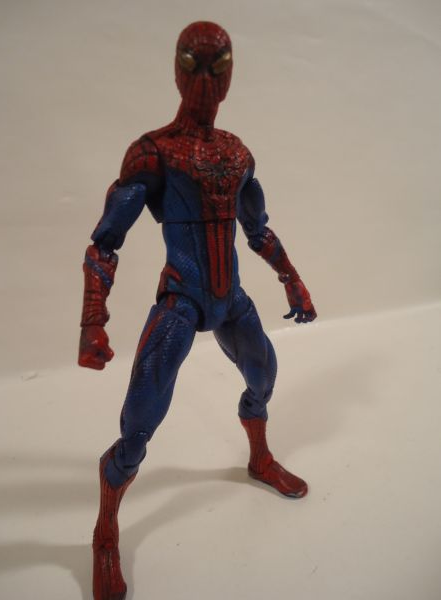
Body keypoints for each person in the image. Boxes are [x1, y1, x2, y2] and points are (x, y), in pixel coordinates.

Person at [78, 21, 317, 600]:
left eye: (219, 65)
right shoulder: (154, 152)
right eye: (193, 64)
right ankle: (105, 531)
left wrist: (292, 280)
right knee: (139, 423)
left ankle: (259, 457)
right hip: (181, 300)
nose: (206, 80)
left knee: (264, 377)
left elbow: (257, 229)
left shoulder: (236, 153)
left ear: (231, 74)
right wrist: (93, 321)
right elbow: (106, 242)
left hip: (230, 300)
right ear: (176, 70)